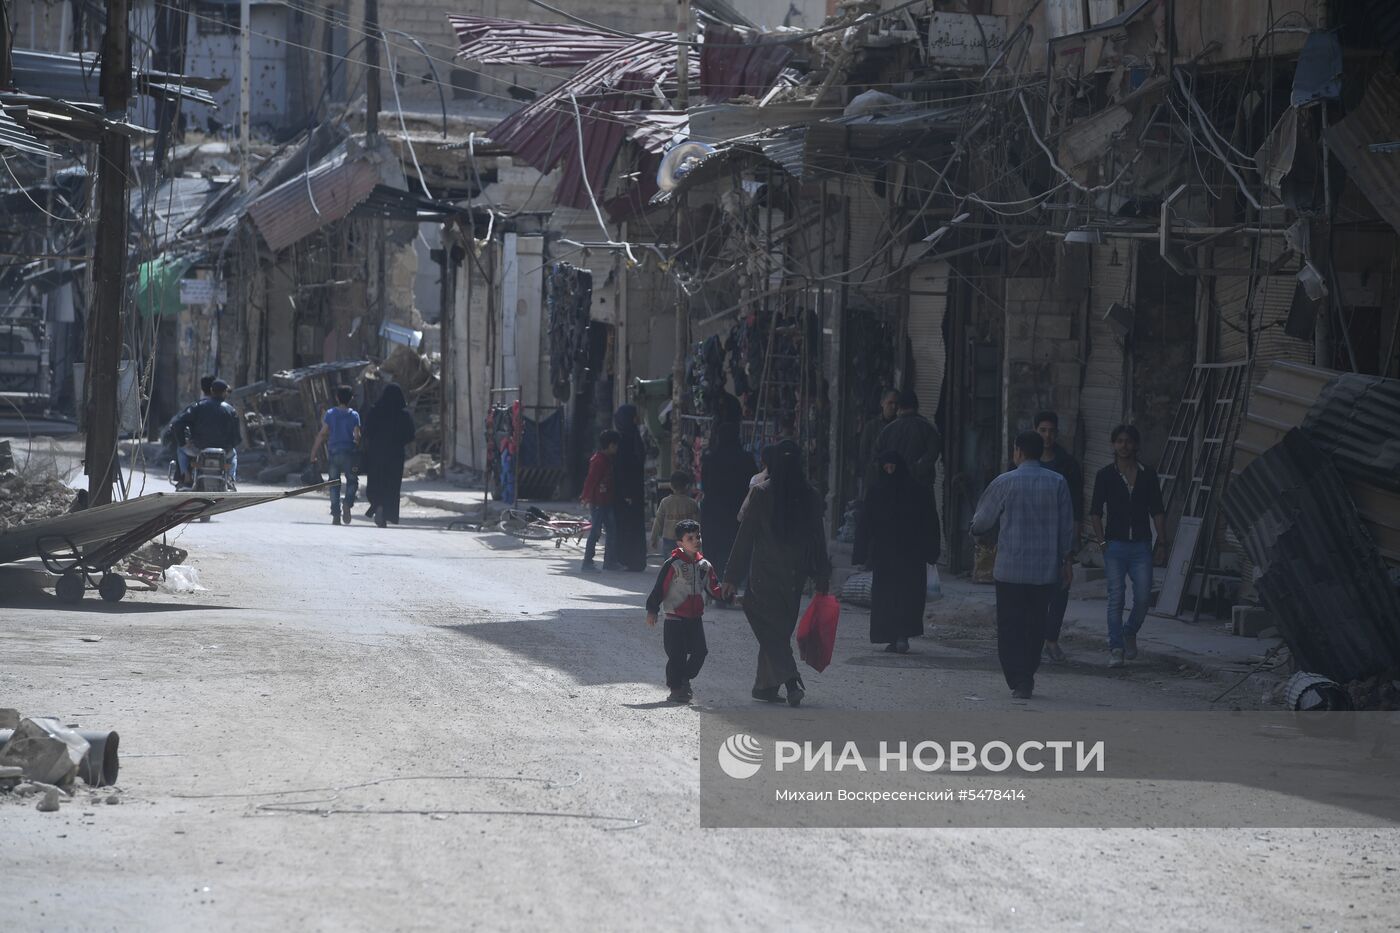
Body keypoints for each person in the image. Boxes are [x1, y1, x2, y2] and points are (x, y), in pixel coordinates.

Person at [722, 440, 831, 707]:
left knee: (768, 626)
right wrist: (821, 576)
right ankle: (765, 686)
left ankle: (791, 679)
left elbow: (745, 537)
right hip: (796, 575)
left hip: (764, 573)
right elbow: (819, 539)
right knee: (778, 629)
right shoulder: (811, 495)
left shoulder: (761, 493)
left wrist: (730, 577)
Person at [969, 430, 1075, 700]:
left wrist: (975, 531)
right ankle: (1027, 675)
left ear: (1018, 451)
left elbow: (981, 522)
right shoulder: (1058, 482)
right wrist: (1066, 560)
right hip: (1043, 571)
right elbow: (1066, 528)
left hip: (1010, 570)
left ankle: (1017, 678)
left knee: (1010, 625)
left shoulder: (1005, 482)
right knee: (1035, 623)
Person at [1089, 423, 1168, 668]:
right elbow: (1094, 512)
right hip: (1114, 545)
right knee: (1116, 598)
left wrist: (1162, 540)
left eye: (1129, 441)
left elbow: (1157, 510)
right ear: (1113, 445)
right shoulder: (1105, 475)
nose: (1124, 446)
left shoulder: (1148, 474)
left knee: (1144, 597)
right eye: (1120, 441)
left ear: (1136, 445)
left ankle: (1130, 630)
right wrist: (1101, 541)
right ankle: (1116, 648)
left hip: (1141, 545)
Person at [854, 451, 940, 653]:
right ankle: (894, 637)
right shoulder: (880, 490)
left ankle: (901, 636)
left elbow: (929, 522)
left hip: (905, 554)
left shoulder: (913, 490)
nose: (890, 470)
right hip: (891, 555)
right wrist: (861, 551)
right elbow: (866, 523)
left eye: (893, 466)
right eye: (887, 466)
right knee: (892, 598)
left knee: (903, 597)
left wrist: (931, 550)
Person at [645, 519, 724, 703]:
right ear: (680, 543)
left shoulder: (705, 565)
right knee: (676, 655)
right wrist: (652, 610)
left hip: (695, 617)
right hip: (674, 617)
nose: (697, 540)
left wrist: (729, 596)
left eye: (698, 536)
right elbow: (660, 589)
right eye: (690, 538)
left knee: (700, 652)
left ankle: (684, 679)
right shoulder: (672, 564)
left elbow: (714, 588)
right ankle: (676, 689)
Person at [1032, 411, 1084, 662]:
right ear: (1035, 431)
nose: (1047, 436)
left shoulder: (1067, 465)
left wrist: (1073, 544)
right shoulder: (1025, 461)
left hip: (1058, 535)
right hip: (1031, 537)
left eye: (1051, 431)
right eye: (1042, 430)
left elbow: (1076, 506)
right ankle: (1034, 638)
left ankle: (1051, 638)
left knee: (1060, 588)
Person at [699, 421, 754, 579]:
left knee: (714, 547)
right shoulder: (746, 458)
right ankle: (731, 583)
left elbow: (704, 485)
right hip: (735, 509)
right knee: (733, 546)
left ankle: (714, 584)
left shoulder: (710, 458)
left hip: (713, 510)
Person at [361, 383, 416, 528]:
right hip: (395, 455)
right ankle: (385, 511)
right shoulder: (404, 415)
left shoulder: (375, 411)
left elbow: (366, 432)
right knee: (391, 486)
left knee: (376, 481)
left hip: (376, 454)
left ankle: (377, 504)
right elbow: (411, 435)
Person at [171, 378, 242, 489]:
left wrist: (183, 442)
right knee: (234, 455)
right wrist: (229, 445)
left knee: (181, 449)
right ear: (224, 393)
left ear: (211, 391)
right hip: (224, 451)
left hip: (199, 449)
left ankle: (186, 476)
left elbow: (177, 423)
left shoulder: (197, 407)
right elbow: (237, 438)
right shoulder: (231, 410)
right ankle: (230, 479)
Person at [309, 385, 361, 526]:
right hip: (349, 453)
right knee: (352, 481)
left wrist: (313, 452)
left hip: (334, 453)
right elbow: (357, 436)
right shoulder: (354, 415)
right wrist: (356, 443)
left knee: (333, 484)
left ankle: (336, 515)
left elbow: (322, 433)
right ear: (351, 399)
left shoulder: (330, 414)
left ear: (337, 398)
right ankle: (347, 503)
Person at [608, 404, 649, 571]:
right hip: (635, 491)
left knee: (626, 526)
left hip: (626, 493)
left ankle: (628, 559)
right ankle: (635, 560)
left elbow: (623, 469)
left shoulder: (623, 441)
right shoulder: (634, 437)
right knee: (633, 525)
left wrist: (626, 492)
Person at [875, 388, 941, 489]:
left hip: (894, 488)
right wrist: (915, 470)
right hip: (921, 488)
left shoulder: (887, 430)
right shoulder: (928, 428)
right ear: (917, 405)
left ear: (899, 407)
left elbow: (878, 456)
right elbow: (933, 453)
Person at [579, 429, 620, 573]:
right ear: (609, 445)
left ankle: (609, 562)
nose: (616, 448)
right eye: (615, 445)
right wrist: (585, 497)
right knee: (595, 532)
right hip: (598, 503)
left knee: (612, 531)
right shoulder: (599, 461)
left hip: (607, 501)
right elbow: (591, 480)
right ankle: (587, 562)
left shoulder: (607, 459)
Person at [859, 389, 899, 493]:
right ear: (882, 403)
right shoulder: (871, 426)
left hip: (895, 481)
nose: (894, 407)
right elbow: (864, 454)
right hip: (875, 480)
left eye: (896, 403)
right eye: (890, 403)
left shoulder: (901, 427)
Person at [651, 470, 700, 554]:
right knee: (687, 564)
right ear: (687, 486)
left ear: (671, 486)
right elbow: (698, 522)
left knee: (670, 564)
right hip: (687, 540)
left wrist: (654, 538)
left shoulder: (665, 502)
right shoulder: (692, 503)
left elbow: (658, 521)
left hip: (669, 538)